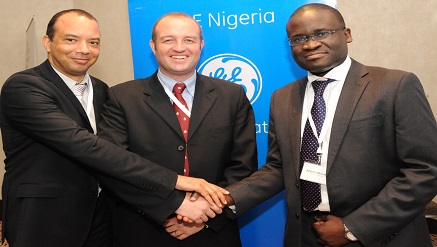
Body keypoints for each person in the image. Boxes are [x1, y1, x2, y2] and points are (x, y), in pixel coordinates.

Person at [0, 9, 229, 247]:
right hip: (44, 219)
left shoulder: (102, 90)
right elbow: (85, 145)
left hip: (102, 219)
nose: (83, 49)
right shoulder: (24, 87)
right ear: (48, 42)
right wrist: (176, 181)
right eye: (71, 39)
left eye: (93, 42)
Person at [224, 3, 437, 247]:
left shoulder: (394, 85)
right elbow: (279, 167)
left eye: (321, 33)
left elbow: (425, 170)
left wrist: (351, 228)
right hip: (305, 235)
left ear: (347, 34)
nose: (310, 44)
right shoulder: (282, 98)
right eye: (298, 38)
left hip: (380, 237)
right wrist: (226, 198)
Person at [97, 12, 257, 247]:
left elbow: (243, 166)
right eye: (168, 40)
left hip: (214, 231)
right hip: (144, 230)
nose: (179, 48)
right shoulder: (122, 97)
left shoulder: (232, 95)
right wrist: (173, 207)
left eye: (189, 40)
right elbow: (114, 167)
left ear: (201, 45)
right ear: (153, 46)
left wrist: (204, 214)